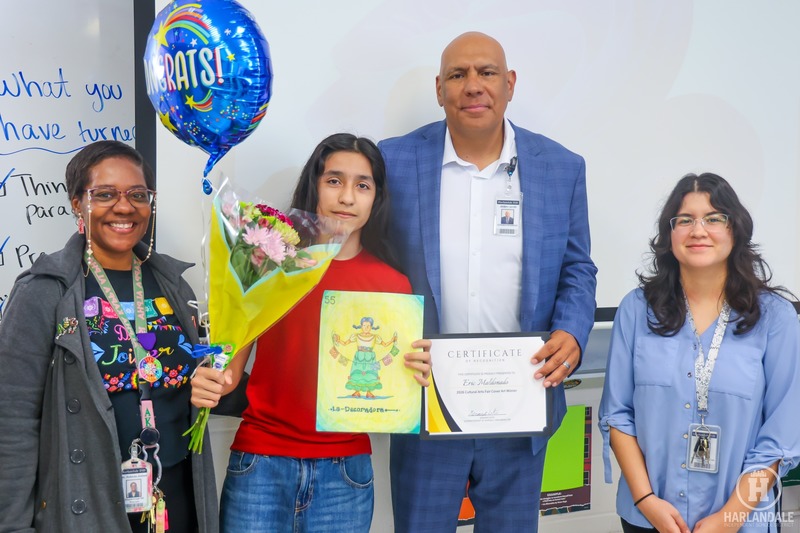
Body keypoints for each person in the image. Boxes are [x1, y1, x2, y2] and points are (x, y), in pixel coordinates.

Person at [378, 32, 597, 532]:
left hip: (521, 401)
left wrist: (573, 330)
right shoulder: (393, 162)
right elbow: (367, 259)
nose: (473, 85)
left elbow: (577, 268)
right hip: (426, 401)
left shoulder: (561, 167)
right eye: (458, 75)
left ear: (510, 84)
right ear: (439, 89)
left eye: (487, 72)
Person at [190, 133, 432, 533]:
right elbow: (229, 370)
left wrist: (414, 374)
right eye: (334, 180)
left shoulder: (393, 285)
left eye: (363, 185)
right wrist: (209, 379)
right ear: (313, 186)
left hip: (346, 472)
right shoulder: (270, 264)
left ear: (377, 198)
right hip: (260, 461)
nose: (347, 197)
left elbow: (395, 390)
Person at [0, 140, 218, 532]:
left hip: (175, 495)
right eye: (105, 194)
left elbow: (196, 383)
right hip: (88, 502)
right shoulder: (44, 291)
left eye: (138, 194)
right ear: (77, 204)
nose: (124, 206)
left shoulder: (174, 285)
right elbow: (12, 419)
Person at [599, 173, 800, 532]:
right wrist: (646, 502)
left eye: (713, 218)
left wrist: (729, 518)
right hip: (649, 517)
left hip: (740, 522)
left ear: (735, 229)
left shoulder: (776, 318)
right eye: (684, 220)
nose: (698, 230)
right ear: (669, 234)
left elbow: (779, 440)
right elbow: (617, 415)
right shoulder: (636, 310)